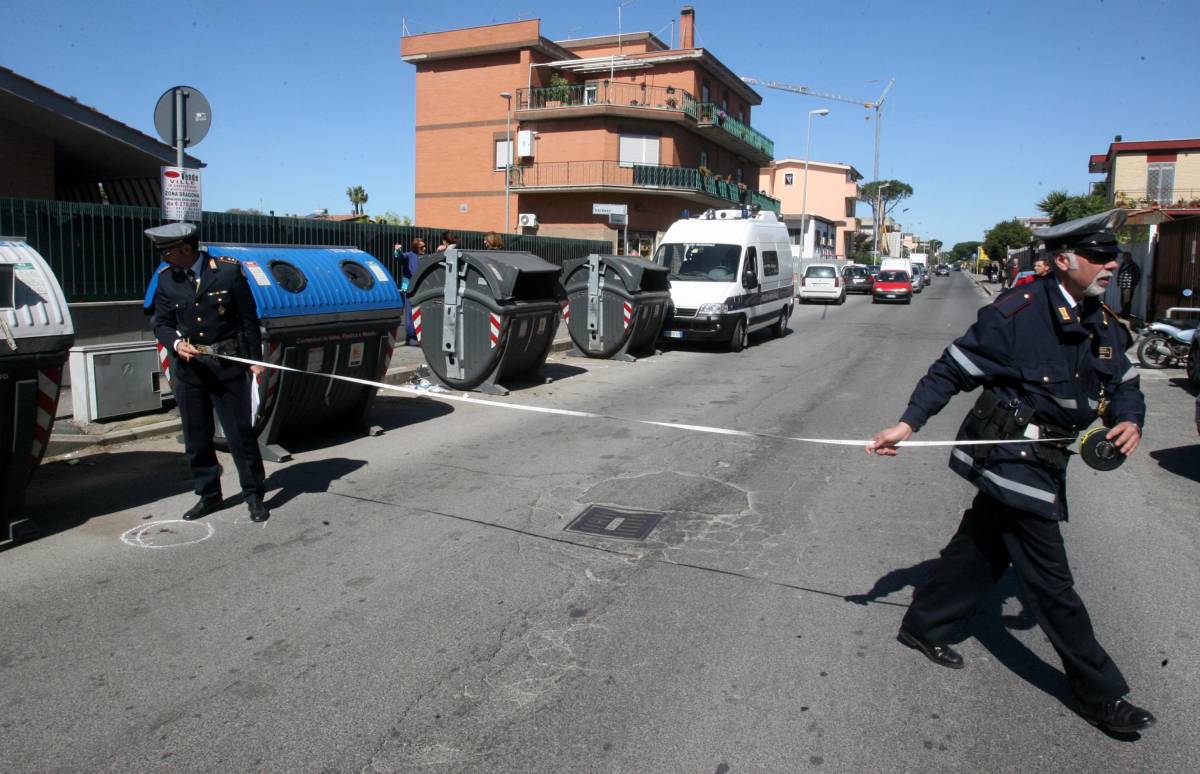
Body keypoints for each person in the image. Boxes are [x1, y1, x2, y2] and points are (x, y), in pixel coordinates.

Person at [866, 209, 1155, 735]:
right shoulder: (1015, 314)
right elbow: (951, 370)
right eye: (1098, 256)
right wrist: (907, 425)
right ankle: (1102, 695)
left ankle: (923, 623)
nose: (1111, 265)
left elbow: (1127, 382)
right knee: (1051, 584)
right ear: (1064, 260)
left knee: (981, 548)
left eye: (1114, 256)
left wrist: (1131, 418)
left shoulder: (1102, 320)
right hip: (1011, 460)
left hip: (1050, 459)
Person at [148, 223, 269, 523]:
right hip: (189, 369)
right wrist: (176, 344)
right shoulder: (166, 280)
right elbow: (161, 322)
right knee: (197, 436)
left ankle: (254, 495)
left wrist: (254, 360)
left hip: (226, 363)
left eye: (168, 250)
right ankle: (209, 495)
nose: (163, 256)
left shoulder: (227, 271)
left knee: (239, 434)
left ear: (186, 249)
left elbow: (248, 319)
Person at [397, 237, 424, 346]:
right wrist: (397, 251)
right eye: (421, 247)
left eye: (424, 246)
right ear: (415, 247)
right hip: (408, 286)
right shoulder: (408, 256)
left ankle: (418, 336)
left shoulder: (423, 257)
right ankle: (411, 337)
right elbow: (399, 258)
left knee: (418, 311)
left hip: (419, 287)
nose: (424, 248)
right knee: (409, 312)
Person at [1116, 251, 1141, 318]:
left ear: (1129, 257)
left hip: (1129, 287)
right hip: (1123, 286)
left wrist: (1133, 285)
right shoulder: (1123, 264)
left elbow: (1138, 275)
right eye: (1124, 257)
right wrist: (1118, 282)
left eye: (1126, 256)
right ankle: (1123, 314)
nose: (1124, 258)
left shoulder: (1133, 265)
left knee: (1126, 301)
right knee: (1122, 301)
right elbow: (1119, 273)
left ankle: (1125, 316)